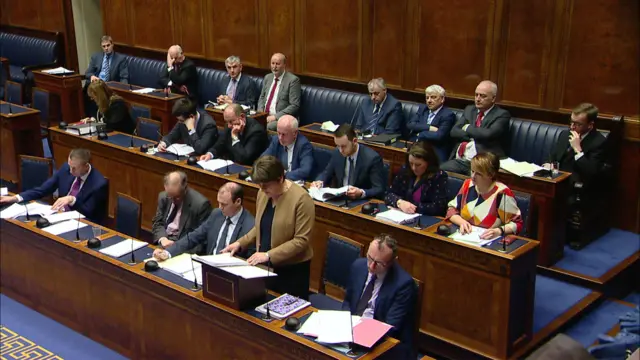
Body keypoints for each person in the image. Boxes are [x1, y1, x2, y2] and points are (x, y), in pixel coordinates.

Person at [223, 156, 314, 299]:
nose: (262, 189)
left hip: (291, 273)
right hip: (265, 268)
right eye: (260, 185)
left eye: (266, 185)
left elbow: (301, 241)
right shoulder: (263, 193)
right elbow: (261, 227)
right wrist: (240, 243)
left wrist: (268, 255)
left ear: (280, 178)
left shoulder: (302, 199)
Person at [342, 234, 417, 359]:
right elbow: (348, 301)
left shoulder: (404, 284)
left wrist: (359, 334)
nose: (371, 267)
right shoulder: (358, 266)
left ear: (392, 262)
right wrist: (344, 324)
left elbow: (391, 327)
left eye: (379, 263)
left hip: (385, 342)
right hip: (351, 332)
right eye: (370, 258)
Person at [0, 149, 108, 223]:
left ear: (85, 166)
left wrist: (72, 200)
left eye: (74, 168)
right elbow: (43, 190)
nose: (70, 171)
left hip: (82, 223)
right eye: (70, 166)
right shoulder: (66, 169)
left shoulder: (98, 184)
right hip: (58, 216)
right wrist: (16, 197)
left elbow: (89, 213)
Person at [153, 182, 254, 259]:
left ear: (238, 201)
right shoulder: (217, 214)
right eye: (219, 203)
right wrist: (168, 252)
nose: (220, 207)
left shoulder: (250, 225)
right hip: (208, 267)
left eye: (224, 204)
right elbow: (193, 237)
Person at [441, 80, 511, 175]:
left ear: (493, 98)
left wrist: (467, 127)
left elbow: (488, 134)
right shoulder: (470, 109)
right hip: (462, 160)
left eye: (483, 96)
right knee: (439, 172)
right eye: (476, 95)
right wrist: (473, 136)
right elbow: (454, 131)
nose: (478, 99)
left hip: (483, 163)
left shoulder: (502, 115)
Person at [446, 152, 523, 238]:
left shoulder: (502, 193)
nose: (473, 176)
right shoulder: (468, 185)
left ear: (490, 175)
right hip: (465, 236)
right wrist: (462, 222)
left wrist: (499, 231)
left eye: (478, 174)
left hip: (488, 241)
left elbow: (517, 224)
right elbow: (451, 210)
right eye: (472, 171)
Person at [544, 103, 606, 194]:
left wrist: (578, 150)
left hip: (576, 189)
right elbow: (552, 156)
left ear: (590, 125)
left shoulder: (599, 142)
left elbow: (592, 173)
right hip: (555, 182)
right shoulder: (565, 134)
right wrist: (548, 164)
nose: (572, 127)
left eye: (578, 124)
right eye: (571, 122)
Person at [311, 124, 386, 200]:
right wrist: (319, 181)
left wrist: (361, 192)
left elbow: (379, 189)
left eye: (343, 146)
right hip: (340, 198)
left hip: (360, 202)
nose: (340, 150)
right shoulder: (337, 153)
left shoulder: (372, 158)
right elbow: (326, 172)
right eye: (338, 146)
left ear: (355, 141)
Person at [385, 142, 449, 216]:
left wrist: (411, 207)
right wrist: (399, 202)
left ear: (429, 163)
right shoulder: (405, 170)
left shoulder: (439, 177)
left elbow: (439, 208)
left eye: (418, 165)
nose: (413, 168)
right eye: (411, 163)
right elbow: (388, 194)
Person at [151, 171, 212, 249]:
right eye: (170, 196)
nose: (173, 200)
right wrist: (163, 239)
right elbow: (157, 222)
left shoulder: (201, 205)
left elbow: (202, 239)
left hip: (183, 247)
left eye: (177, 197)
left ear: (185, 188)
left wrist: (176, 249)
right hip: (163, 243)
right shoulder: (163, 197)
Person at [199, 103, 268, 165]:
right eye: (227, 122)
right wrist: (210, 154)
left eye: (231, 122)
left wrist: (234, 137)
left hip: (249, 169)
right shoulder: (229, 126)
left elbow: (244, 159)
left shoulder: (256, 132)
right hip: (232, 164)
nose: (229, 125)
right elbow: (220, 143)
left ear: (242, 116)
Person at [406, 84, 456, 162]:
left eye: (433, 97)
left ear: (442, 99)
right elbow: (410, 124)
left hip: (435, 149)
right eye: (427, 97)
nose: (429, 101)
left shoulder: (448, 115)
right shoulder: (423, 109)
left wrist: (420, 134)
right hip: (417, 145)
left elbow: (439, 135)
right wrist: (429, 128)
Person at [261, 115, 314, 181]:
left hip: (294, 183)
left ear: (295, 133)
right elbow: (263, 159)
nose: (280, 137)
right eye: (278, 133)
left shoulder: (304, 145)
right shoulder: (276, 140)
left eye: (284, 134)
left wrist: (281, 175)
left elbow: (305, 170)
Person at [257, 53, 301, 131]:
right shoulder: (268, 77)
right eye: (272, 63)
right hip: (265, 116)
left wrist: (275, 117)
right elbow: (262, 97)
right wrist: (260, 114)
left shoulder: (293, 80)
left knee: (265, 127)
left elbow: (294, 105)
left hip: (281, 118)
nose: (274, 67)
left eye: (277, 64)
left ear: (284, 65)